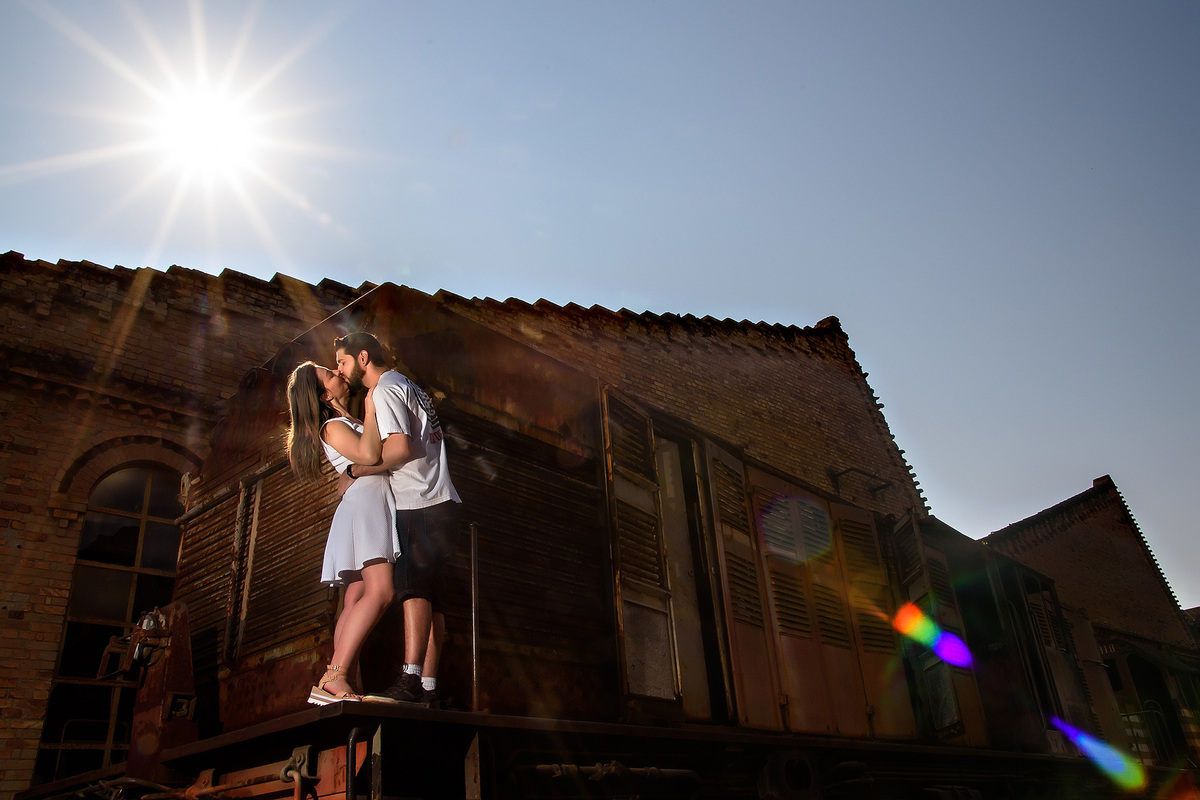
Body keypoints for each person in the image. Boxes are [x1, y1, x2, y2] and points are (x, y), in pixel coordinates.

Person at [332, 332, 462, 706]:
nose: (341, 371)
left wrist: (356, 470)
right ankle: (429, 689)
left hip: (418, 502)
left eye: (341, 362)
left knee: (413, 590)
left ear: (361, 357)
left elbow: (400, 447)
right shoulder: (409, 385)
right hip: (441, 500)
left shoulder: (386, 388)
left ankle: (410, 680)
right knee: (435, 598)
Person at [285, 361, 398, 704]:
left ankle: (334, 678)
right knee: (382, 591)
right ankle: (335, 675)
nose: (337, 373)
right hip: (365, 504)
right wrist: (372, 406)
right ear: (324, 394)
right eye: (329, 375)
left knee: (355, 594)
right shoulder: (332, 425)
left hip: (363, 501)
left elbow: (361, 459)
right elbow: (368, 453)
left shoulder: (339, 421)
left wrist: (351, 468)